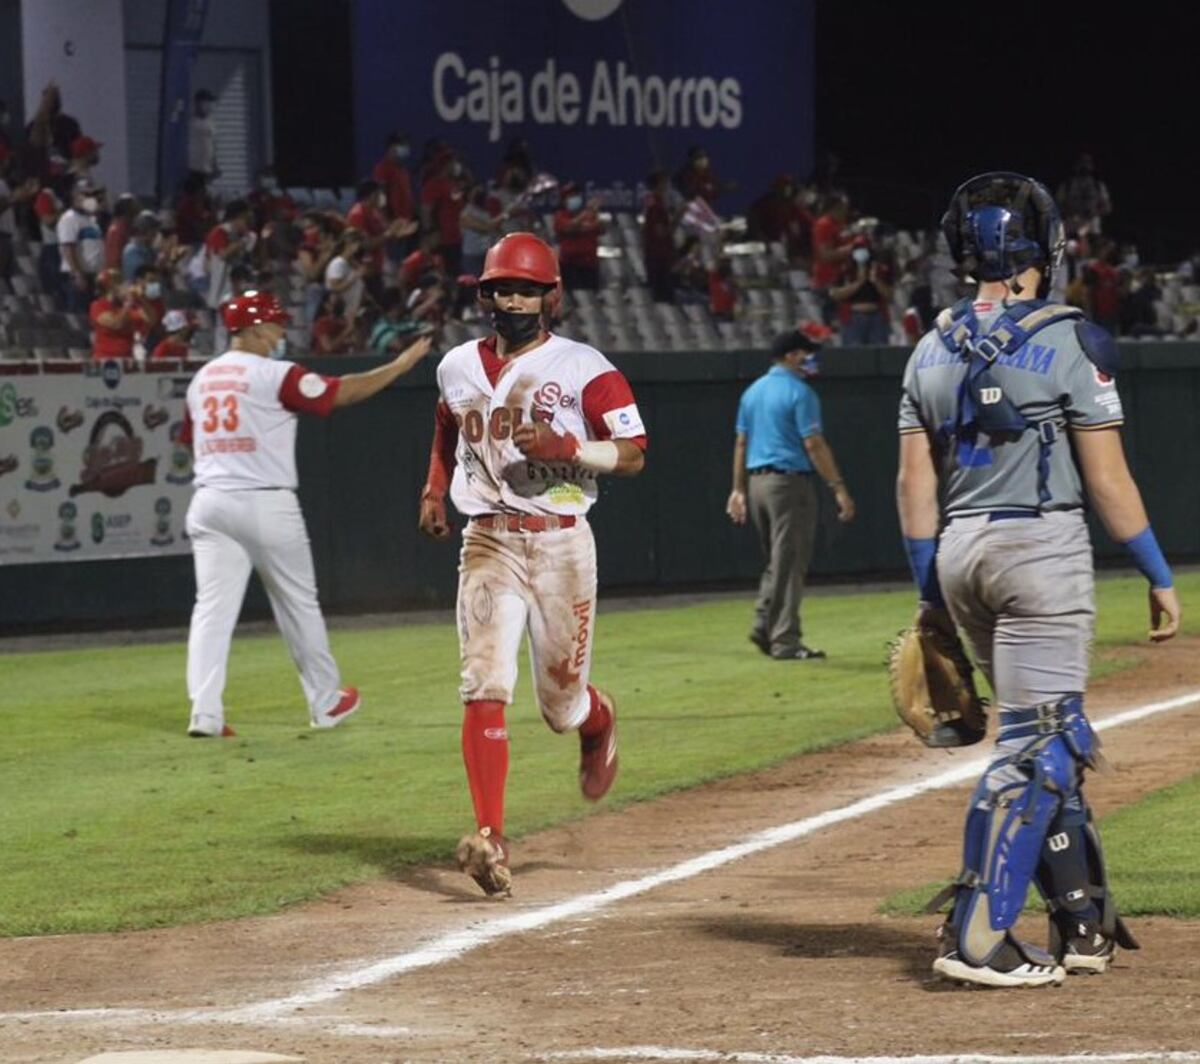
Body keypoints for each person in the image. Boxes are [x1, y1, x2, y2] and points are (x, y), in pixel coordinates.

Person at [896, 172, 1181, 989]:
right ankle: (978, 936)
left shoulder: (928, 347)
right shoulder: (1071, 339)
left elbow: (914, 487)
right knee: (1040, 747)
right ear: (1038, 251)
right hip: (1039, 550)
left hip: (961, 554)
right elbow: (1109, 479)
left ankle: (1081, 922)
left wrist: (929, 592)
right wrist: (1157, 572)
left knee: (1042, 729)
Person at [418, 232, 647, 896]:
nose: (512, 298)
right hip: (487, 536)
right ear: (484, 294)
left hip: (559, 541)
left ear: (551, 295)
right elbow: (445, 424)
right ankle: (491, 835)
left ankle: (596, 720)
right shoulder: (457, 364)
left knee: (559, 705)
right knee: (483, 681)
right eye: (500, 288)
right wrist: (435, 489)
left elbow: (633, 452)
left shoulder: (584, 367)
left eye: (525, 288)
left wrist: (572, 446)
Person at [181, 290, 433, 738]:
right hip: (263, 500)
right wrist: (398, 367)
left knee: (211, 612)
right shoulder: (274, 374)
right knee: (298, 604)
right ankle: (325, 701)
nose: (281, 331)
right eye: (275, 323)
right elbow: (342, 392)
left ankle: (205, 712)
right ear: (256, 328)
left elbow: (190, 439)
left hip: (210, 501)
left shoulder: (201, 379)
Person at [726, 330, 855, 659]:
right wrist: (838, 488)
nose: (809, 358)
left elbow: (741, 443)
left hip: (757, 485)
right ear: (788, 356)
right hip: (788, 485)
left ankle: (762, 622)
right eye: (804, 353)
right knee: (791, 562)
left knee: (777, 562)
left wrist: (738, 489)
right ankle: (785, 639)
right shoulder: (800, 392)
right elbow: (813, 443)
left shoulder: (753, 392)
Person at [830, 236, 893, 345]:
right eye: (858, 248)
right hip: (853, 318)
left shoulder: (879, 269)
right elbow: (835, 294)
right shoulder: (845, 269)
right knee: (855, 356)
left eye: (864, 248)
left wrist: (876, 281)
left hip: (876, 318)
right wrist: (859, 282)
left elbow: (890, 295)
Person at [187, 89, 219, 186]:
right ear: (198, 103)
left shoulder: (211, 122)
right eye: (206, 102)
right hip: (192, 169)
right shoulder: (190, 122)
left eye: (210, 103)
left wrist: (215, 164)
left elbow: (213, 145)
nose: (209, 106)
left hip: (206, 169)